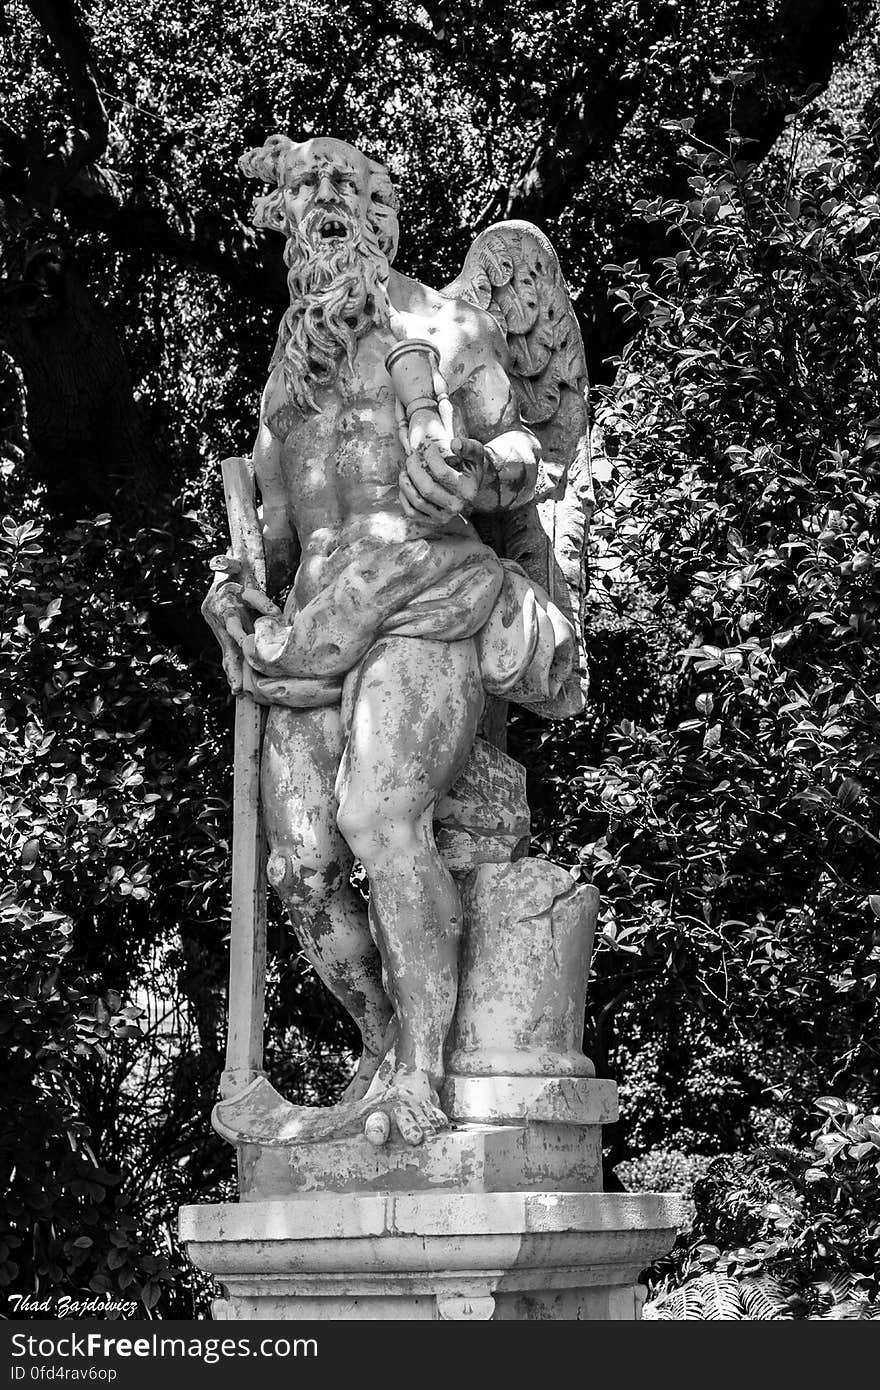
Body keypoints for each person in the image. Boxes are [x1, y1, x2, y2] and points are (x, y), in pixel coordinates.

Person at [203, 136, 573, 1145]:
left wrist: (468, 473)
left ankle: (422, 1075)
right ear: (283, 224)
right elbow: (273, 537)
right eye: (302, 194)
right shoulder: (287, 378)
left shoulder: (445, 326)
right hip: (312, 618)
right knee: (305, 869)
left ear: (382, 211)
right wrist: (231, 591)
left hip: (424, 593)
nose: (321, 208)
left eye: (341, 190)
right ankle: (382, 1044)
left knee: (377, 815)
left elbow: (524, 455)